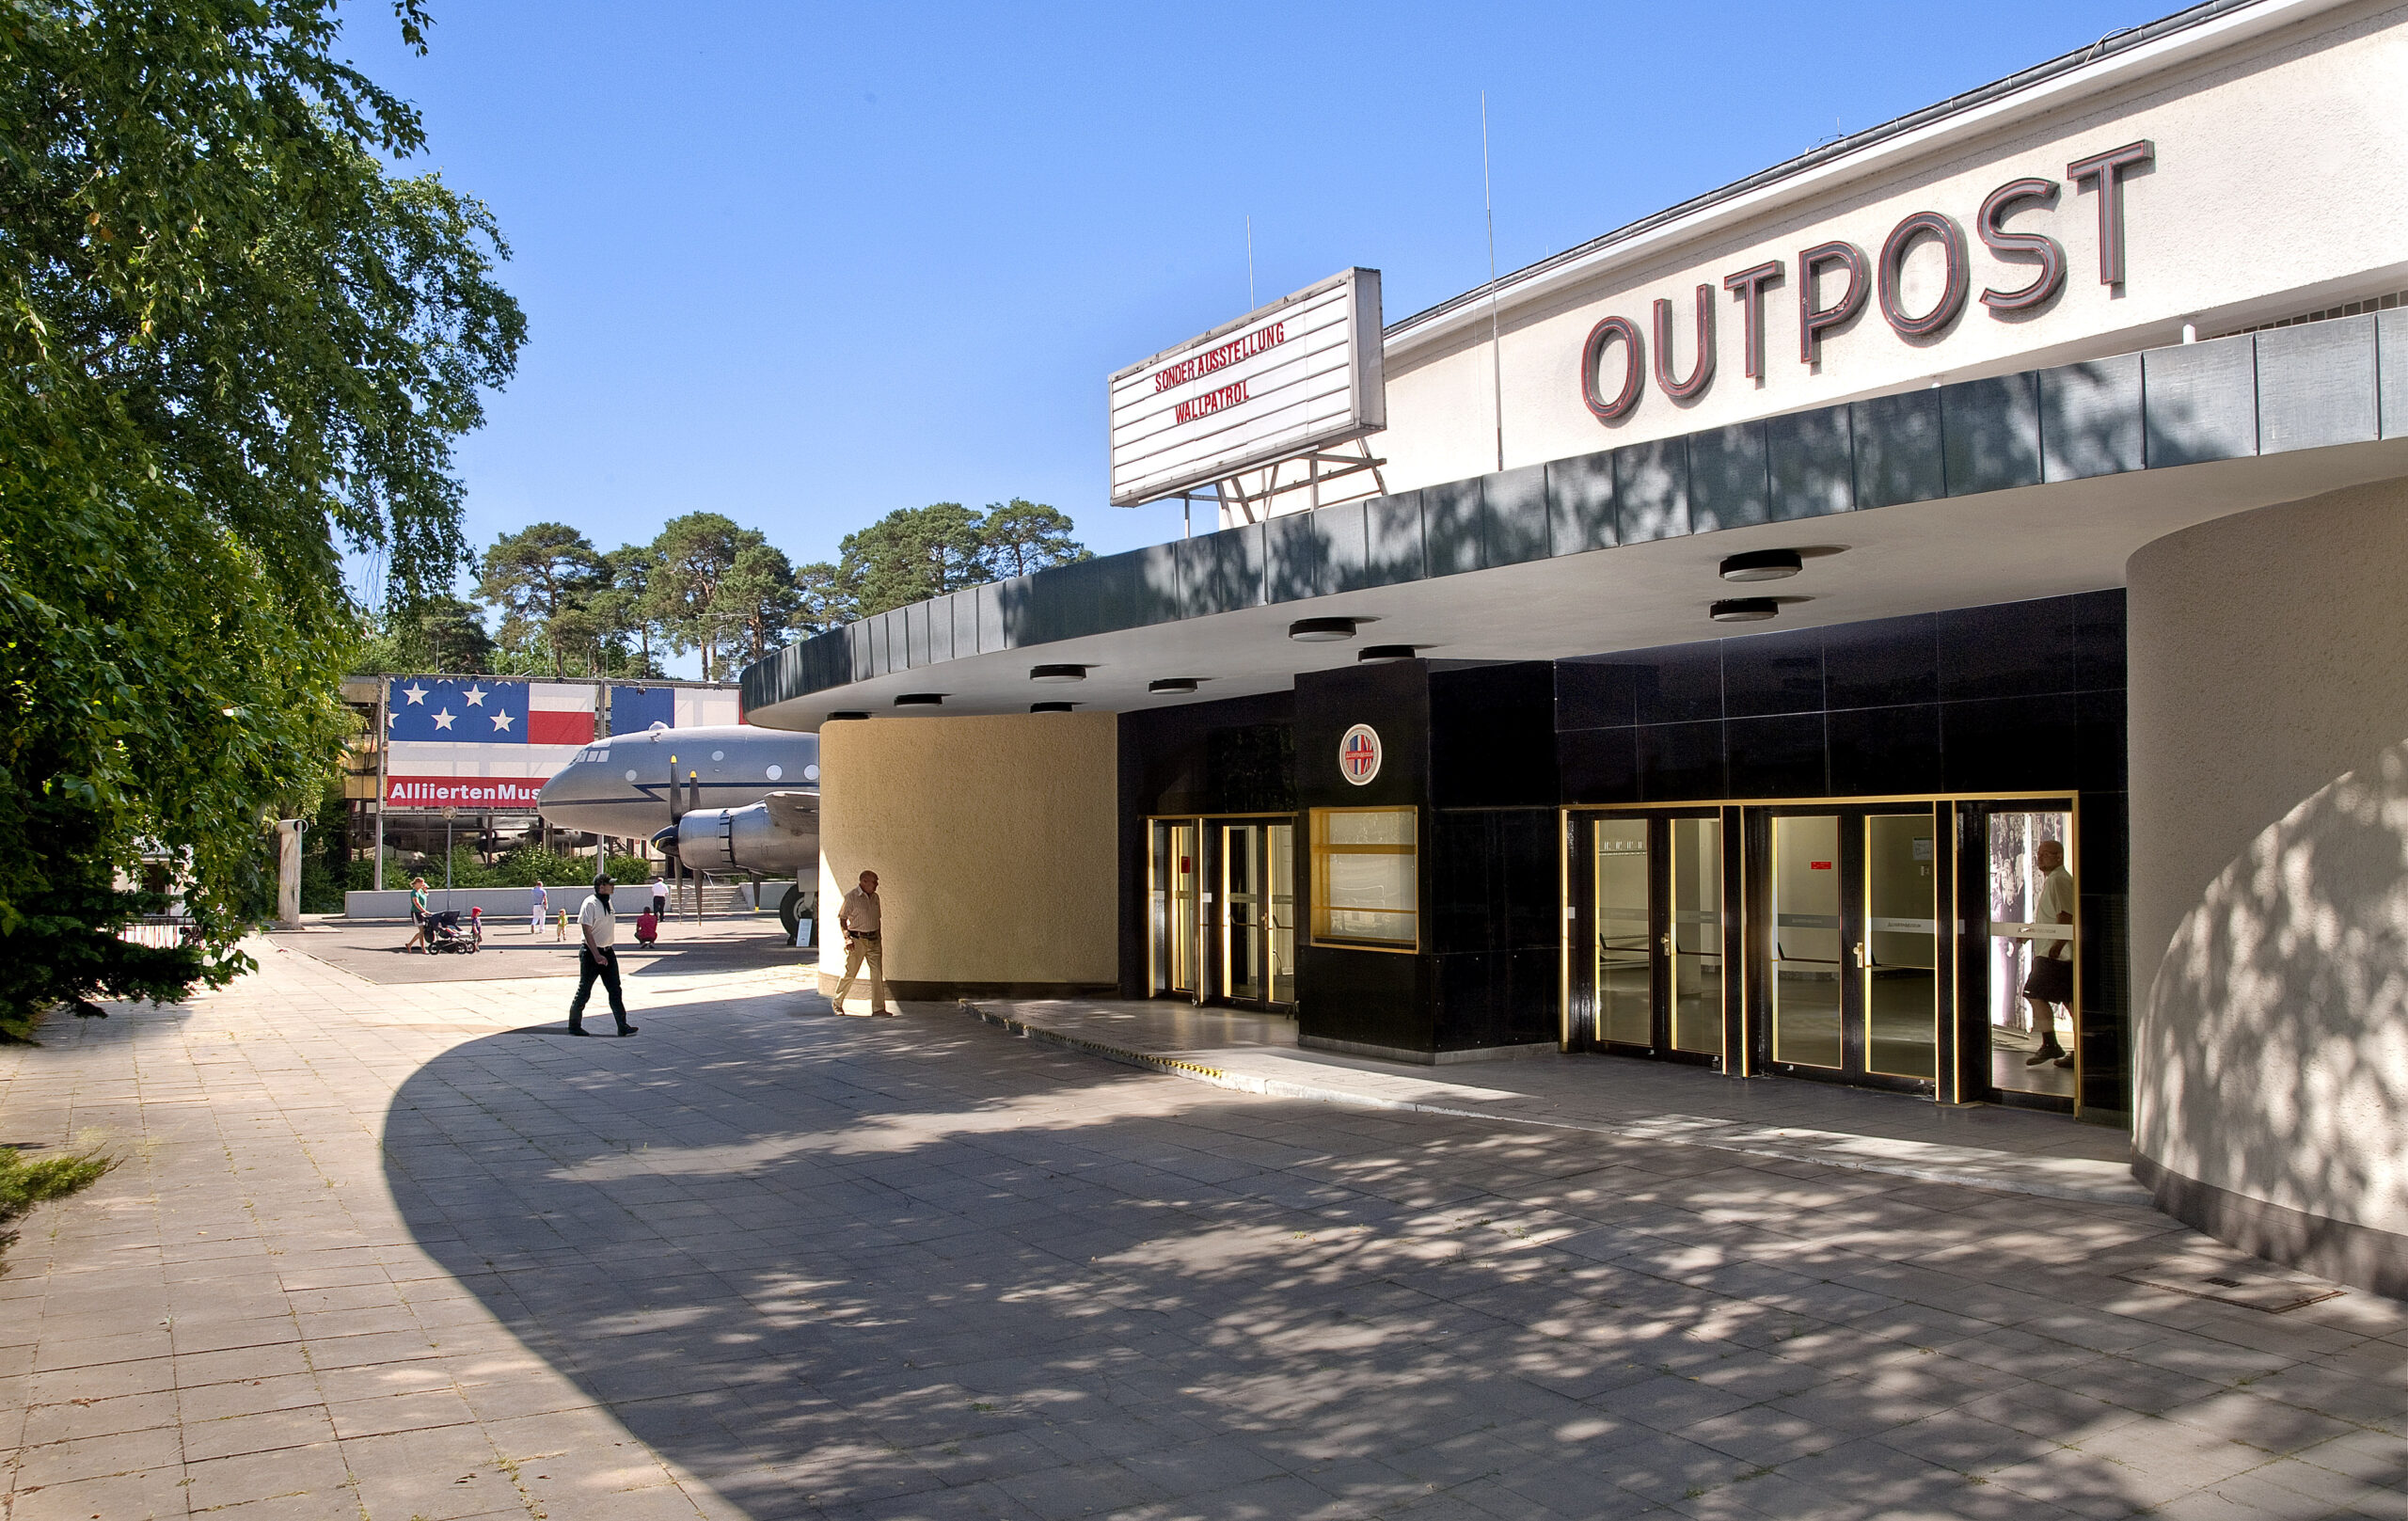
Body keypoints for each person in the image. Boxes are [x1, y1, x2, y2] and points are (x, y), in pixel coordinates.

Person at [2021, 838, 2076, 1068]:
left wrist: (2057, 945)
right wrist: (2029, 933)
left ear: (2059, 857)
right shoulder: (2054, 880)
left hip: (2055, 954)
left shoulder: (2059, 880)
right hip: (2055, 952)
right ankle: (2081, 1049)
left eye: (2046, 853)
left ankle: (2050, 1043)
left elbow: (2065, 915)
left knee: (2033, 991)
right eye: (2039, 853)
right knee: (2070, 1001)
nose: (2040, 857)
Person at [568, 874, 637, 1038]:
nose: (613, 887)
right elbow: (587, 931)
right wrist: (597, 955)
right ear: (601, 887)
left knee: (615, 989)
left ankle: (622, 1025)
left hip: (608, 951)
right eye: (610, 884)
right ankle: (574, 1025)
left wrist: (604, 953)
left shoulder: (608, 902)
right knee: (584, 990)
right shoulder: (590, 903)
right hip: (591, 953)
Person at [830, 868, 895, 1017]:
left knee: (877, 974)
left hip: (874, 940)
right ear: (864, 882)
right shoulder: (851, 897)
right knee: (850, 972)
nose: (877, 884)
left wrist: (879, 937)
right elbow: (842, 919)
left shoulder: (875, 897)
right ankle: (837, 1003)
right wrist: (847, 938)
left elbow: (877, 919)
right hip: (857, 940)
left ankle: (878, 1008)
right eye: (874, 882)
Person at [401, 877, 431, 954]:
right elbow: (416, 903)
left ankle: (409, 944)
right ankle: (423, 949)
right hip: (416, 912)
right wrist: (424, 911)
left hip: (422, 913)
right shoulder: (414, 892)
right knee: (421, 930)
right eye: (421, 883)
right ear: (416, 883)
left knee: (422, 931)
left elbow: (426, 895)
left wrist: (425, 890)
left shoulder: (421, 891)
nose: (422, 885)